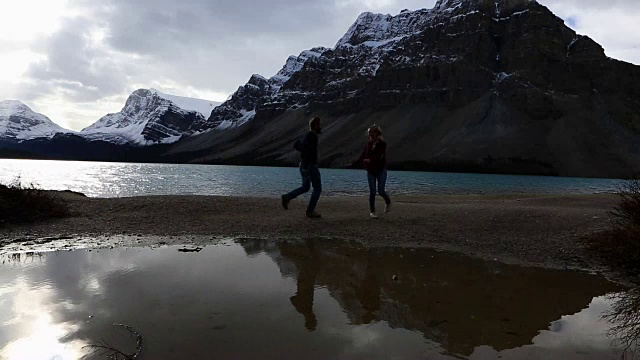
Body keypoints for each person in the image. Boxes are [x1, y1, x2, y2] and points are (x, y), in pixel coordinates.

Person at [281, 117, 323, 218]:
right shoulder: (312, 136)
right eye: (318, 125)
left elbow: (296, 145)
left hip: (304, 164)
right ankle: (310, 211)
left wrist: (303, 154)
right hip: (310, 165)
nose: (320, 127)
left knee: (306, 187)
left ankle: (287, 197)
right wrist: (307, 161)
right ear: (315, 125)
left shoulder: (305, 135)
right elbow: (306, 149)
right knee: (317, 188)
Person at [359, 125, 391, 219]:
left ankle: (388, 202)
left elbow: (380, 155)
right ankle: (372, 211)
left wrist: (370, 160)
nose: (370, 134)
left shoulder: (382, 143)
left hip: (381, 170)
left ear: (376, 133)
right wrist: (352, 164)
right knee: (372, 191)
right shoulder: (368, 144)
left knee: (381, 190)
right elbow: (363, 156)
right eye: (369, 132)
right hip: (370, 170)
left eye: (371, 132)